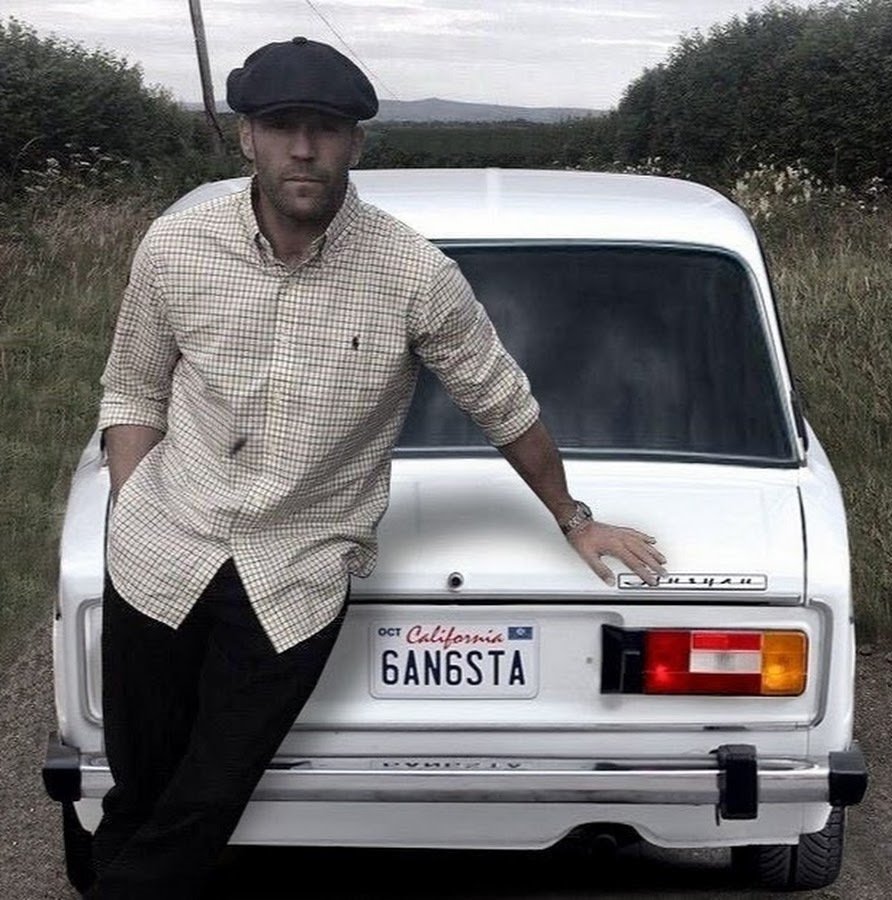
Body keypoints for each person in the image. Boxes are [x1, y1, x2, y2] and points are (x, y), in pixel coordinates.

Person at [84, 36, 667, 898]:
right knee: (141, 782)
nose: (304, 149)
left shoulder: (413, 274)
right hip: (160, 552)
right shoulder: (176, 245)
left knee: (207, 792)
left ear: (356, 142)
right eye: (283, 126)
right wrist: (134, 510)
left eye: (326, 128)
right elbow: (134, 386)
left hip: (293, 571)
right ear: (247, 136)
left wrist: (574, 518)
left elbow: (502, 401)